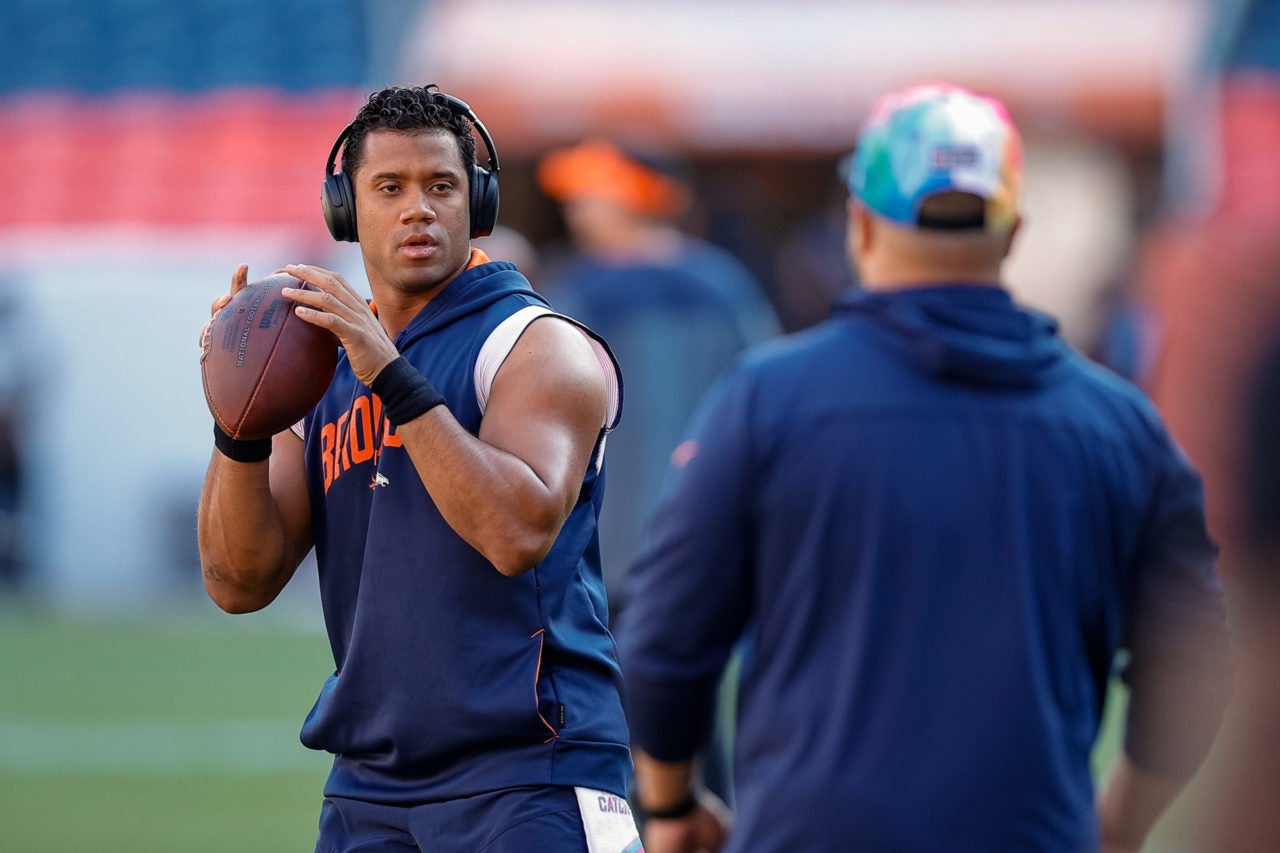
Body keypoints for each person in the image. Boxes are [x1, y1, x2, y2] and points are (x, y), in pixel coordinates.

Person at [616, 82, 1233, 852]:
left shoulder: (767, 401)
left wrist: (671, 803)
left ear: (860, 225)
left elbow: (664, 641)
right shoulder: (1120, 426)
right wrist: (1117, 826)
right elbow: (1196, 657)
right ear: (1012, 233)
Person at [197, 84, 641, 853]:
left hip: (530, 771)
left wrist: (391, 375)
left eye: (441, 186)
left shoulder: (535, 343)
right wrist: (238, 422)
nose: (418, 209)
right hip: (370, 784)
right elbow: (239, 581)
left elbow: (516, 532)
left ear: (477, 202)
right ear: (346, 209)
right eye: (389, 187)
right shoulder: (323, 366)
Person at [535, 139, 780, 617]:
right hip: (706, 539)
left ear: (633, 197)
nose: (575, 208)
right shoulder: (726, 287)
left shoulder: (576, 291)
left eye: (591, 194)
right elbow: (766, 405)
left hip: (598, 549)